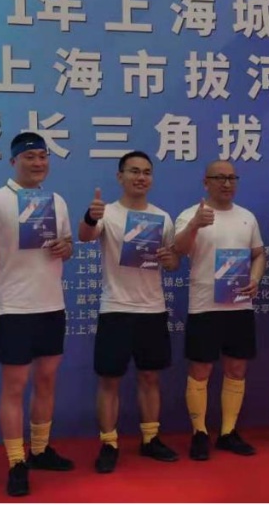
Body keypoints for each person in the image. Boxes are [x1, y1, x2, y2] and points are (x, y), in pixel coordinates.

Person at [0, 132, 76, 497]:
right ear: (13, 162)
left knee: (47, 380)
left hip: (52, 305)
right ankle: (16, 461)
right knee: (14, 387)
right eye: (29, 157)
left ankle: (40, 450)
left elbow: (68, 245)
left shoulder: (56, 201)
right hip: (14, 308)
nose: (38, 162)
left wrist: (66, 247)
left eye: (43, 156)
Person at [78, 151, 180, 474]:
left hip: (153, 308)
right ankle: (109, 443)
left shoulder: (162, 218)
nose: (141, 177)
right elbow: (85, 236)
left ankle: (150, 438)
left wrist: (170, 259)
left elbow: (173, 260)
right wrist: (90, 217)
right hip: (116, 308)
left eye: (146, 172)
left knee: (150, 377)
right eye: (134, 171)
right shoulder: (107, 213)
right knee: (110, 380)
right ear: (120, 176)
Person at [174, 160, 265, 461]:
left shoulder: (247, 217)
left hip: (240, 304)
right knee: (201, 369)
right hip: (204, 306)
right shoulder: (190, 214)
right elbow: (178, 250)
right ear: (206, 182)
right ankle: (199, 432)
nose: (227, 183)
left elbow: (259, 255)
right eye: (219, 178)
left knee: (237, 368)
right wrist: (194, 225)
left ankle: (228, 432)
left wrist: (255, 279)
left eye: (231, 178)